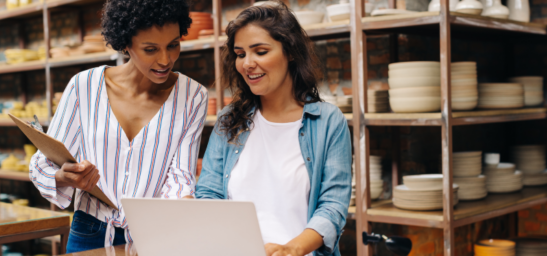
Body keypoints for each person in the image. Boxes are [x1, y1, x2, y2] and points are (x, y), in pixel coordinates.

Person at [29, 0, 207, 253]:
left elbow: (180, 177)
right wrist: (64, 176)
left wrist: (186, 209)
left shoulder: (193, 96)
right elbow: (43, 163)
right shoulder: (84, 86)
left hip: (154, 235)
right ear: (125, 43)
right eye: (150, 49)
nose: (166, 59)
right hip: (89, 230)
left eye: (173, 45)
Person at [194, 2, 352, 256]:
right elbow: (209, 193)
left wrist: (291, 249)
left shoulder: (328, 122)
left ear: (289, 52)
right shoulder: (229, 120)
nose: (247, 63)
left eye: (260, 51)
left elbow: (332, 207)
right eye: (241, 54)